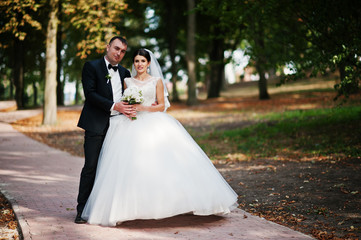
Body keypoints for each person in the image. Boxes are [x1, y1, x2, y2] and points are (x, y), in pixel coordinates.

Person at [81, 49, 238, 226]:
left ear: (149, 63)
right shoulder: (127, 80)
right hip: (129, 125)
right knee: (128, 167)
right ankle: (128, 208)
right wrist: (130, 109)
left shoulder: (157, 81)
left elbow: (162, 105)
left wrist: (144, 108)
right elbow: (122, 100)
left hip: (153, 122)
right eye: (136, 61)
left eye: (142, 61)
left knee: (163, 163)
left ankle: (170, 204)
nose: (139, 64)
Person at [75, 36, 136, 224]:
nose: (119, 53)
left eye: (123, 51)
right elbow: (90, 94)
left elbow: (131, 96)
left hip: (119, 128)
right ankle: (81, 209)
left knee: (113, 169)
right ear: (108, 47)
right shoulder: (91, 67)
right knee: (91, 167)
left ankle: (108, 210)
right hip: (96, 124)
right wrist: (113, 106)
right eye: (116, 48)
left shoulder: (125, 72)